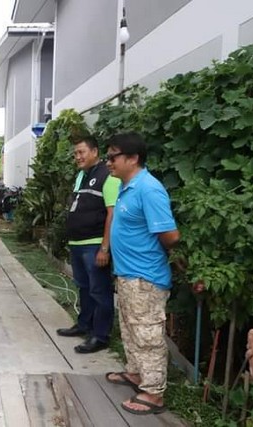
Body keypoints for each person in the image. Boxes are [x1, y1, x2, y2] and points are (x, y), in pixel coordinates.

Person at [103, 133, 180, 416]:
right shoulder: (128, 187)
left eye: (113, 157)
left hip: (145, 277)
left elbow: (170, 235)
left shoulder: (149, 188)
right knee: (131, 329)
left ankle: (154, 392)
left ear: (132, 158)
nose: (108, 162)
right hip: (128, 275)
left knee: (147, 334)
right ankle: (136, 374)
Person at [57, 136, 120, 354]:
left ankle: (100, 335)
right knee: (84, 288)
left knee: (99, 290)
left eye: (82, 152)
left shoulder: (108, 176)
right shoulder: (82, 176)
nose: (78, 157)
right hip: (77, 243)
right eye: (75, 153)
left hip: (94, 245)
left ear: (95, 152)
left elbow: (112, 213)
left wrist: (105, 247)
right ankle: (84, 325)